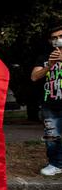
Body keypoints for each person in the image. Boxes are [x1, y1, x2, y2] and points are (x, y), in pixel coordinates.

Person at [31, 25, 62, 176]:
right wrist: (49, 65)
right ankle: (55, 164)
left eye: (60, 36)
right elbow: (34, 77)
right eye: (54, 38)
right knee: (52, 136)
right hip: (49, 104)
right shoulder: (44, 57)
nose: (58, 40)